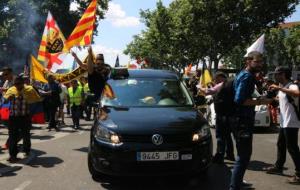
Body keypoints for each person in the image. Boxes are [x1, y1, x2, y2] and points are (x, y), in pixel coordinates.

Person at [230, 51, 273, 190]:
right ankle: (234, 186)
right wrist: (261, 101)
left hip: (241, 119)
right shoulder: (247, 76)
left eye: (261, 62)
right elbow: (239, 100)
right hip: (242, 120)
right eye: (257, 62)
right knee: (243, 156)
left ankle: (237, 183)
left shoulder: (246, 75)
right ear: (248, 61)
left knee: (244, 155)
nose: (260, 64)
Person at [265, 66, 300, 185]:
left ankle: (299, 174)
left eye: (277, 74)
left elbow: (297, 93)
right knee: (281, 144)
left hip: (292, 122)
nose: (275, 76)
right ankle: (279, 166)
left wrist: (279, 88)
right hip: (284, 122)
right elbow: (279, 101)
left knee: (292, 148)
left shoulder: (291, 85)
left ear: (283, 74)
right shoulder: (282, 88)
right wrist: (268, 98)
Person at [198, 72, 235, 164]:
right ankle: (230, 154)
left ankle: (219, 156)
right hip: (229, 114)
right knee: (227, 136)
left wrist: (200, 88)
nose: (215, 81)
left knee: (220, 136)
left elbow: (208, 92)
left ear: (220, 78)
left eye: (216, 79)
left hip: (222, 115)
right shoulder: (230, 85)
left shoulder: (222, 85)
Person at [3, 76, 41, 162]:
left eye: (18, 84)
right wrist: (8, 99)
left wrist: (28, 99)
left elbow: (37, 99)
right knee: (12, 136)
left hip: (25, 117)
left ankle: (26, 150)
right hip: (13, 117)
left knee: (26, 135)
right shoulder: (11, 89)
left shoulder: (29, 89)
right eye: (15, 84)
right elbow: (4, 101)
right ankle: (13, 155)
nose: (16, 86)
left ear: (22, 83)